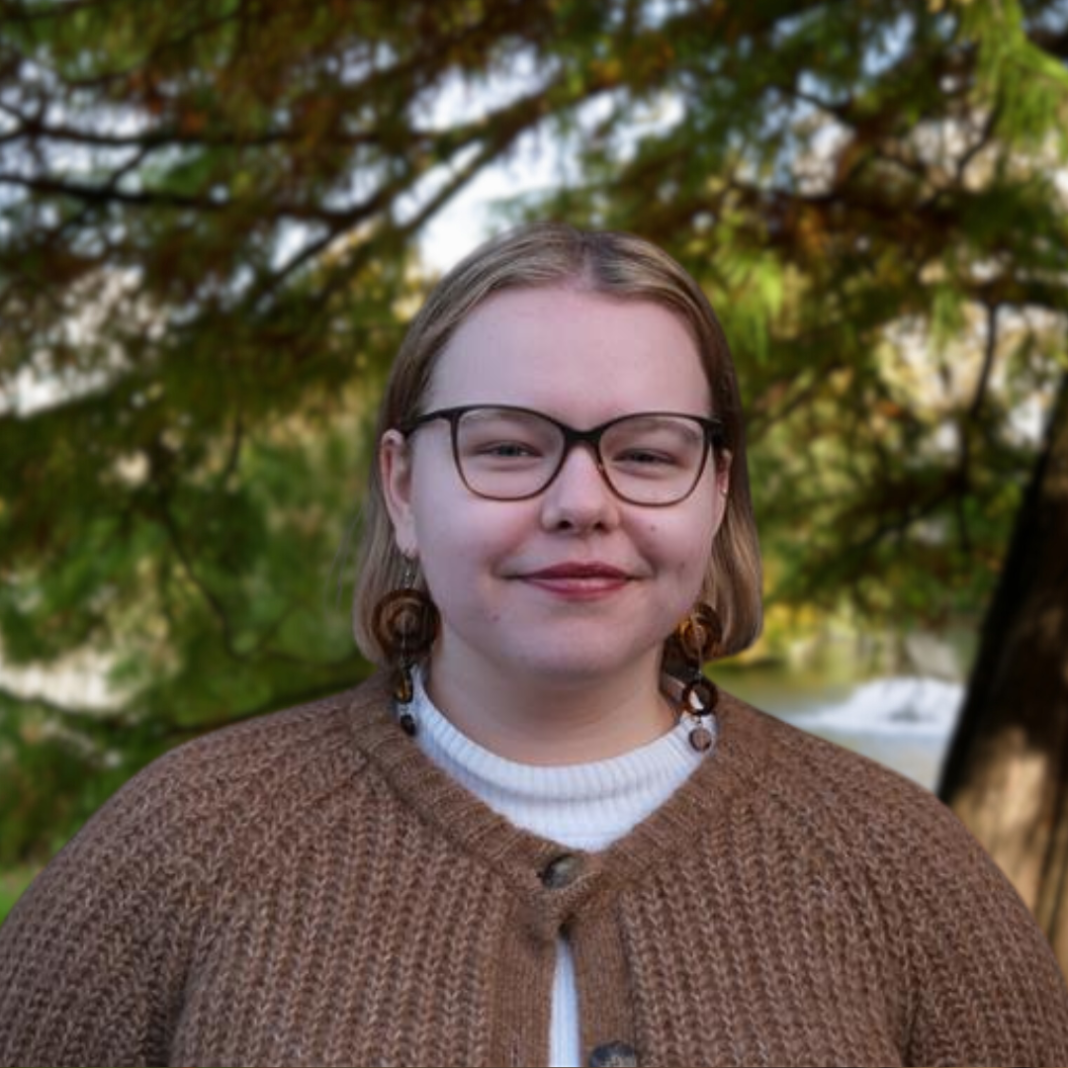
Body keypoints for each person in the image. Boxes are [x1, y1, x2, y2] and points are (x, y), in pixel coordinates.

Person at [1, 222, 1066, 1068]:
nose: (581, 503)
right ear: (403, 488)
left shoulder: (902, 872)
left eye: (646, 454)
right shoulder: (183, 848)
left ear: (716, 492)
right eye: (510, 447)